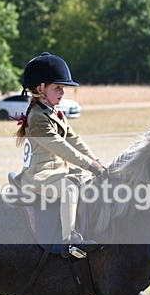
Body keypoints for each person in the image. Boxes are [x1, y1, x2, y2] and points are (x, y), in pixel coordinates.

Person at [14, 52, 105, 258]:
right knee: (70, 189)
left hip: (57, 170)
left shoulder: (55, 112)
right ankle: (70, 240)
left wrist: (96, 161)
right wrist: (89, 165)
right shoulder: (37, 117)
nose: (63, 92)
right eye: (57, 87)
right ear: (40, 89)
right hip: (38, 177)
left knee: (89, 183)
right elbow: (61, 147)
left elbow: (75, 139)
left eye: (62, 88)